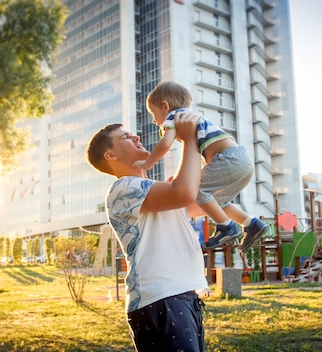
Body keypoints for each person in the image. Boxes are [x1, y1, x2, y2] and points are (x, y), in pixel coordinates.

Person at [86, 112, 209, 351]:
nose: (136, 136)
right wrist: (189, 139)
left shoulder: (158, 191)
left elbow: (205, 200)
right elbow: (184, 193)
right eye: (126, 137)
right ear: (110, 155)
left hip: (181, 295)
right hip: (160, 299)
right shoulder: (122, 188)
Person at [133, 81, 268, 252]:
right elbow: (192, 154)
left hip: (228, 159)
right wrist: (178, 177)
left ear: (165, 106)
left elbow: (165, 144)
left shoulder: (174, 118)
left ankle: (226, 226)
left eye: (153, 113)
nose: (154, 120)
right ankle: (251, 223)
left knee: (196, 190)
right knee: (216, 200)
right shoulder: (192, 118)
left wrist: (148, 163)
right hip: (242, 160)